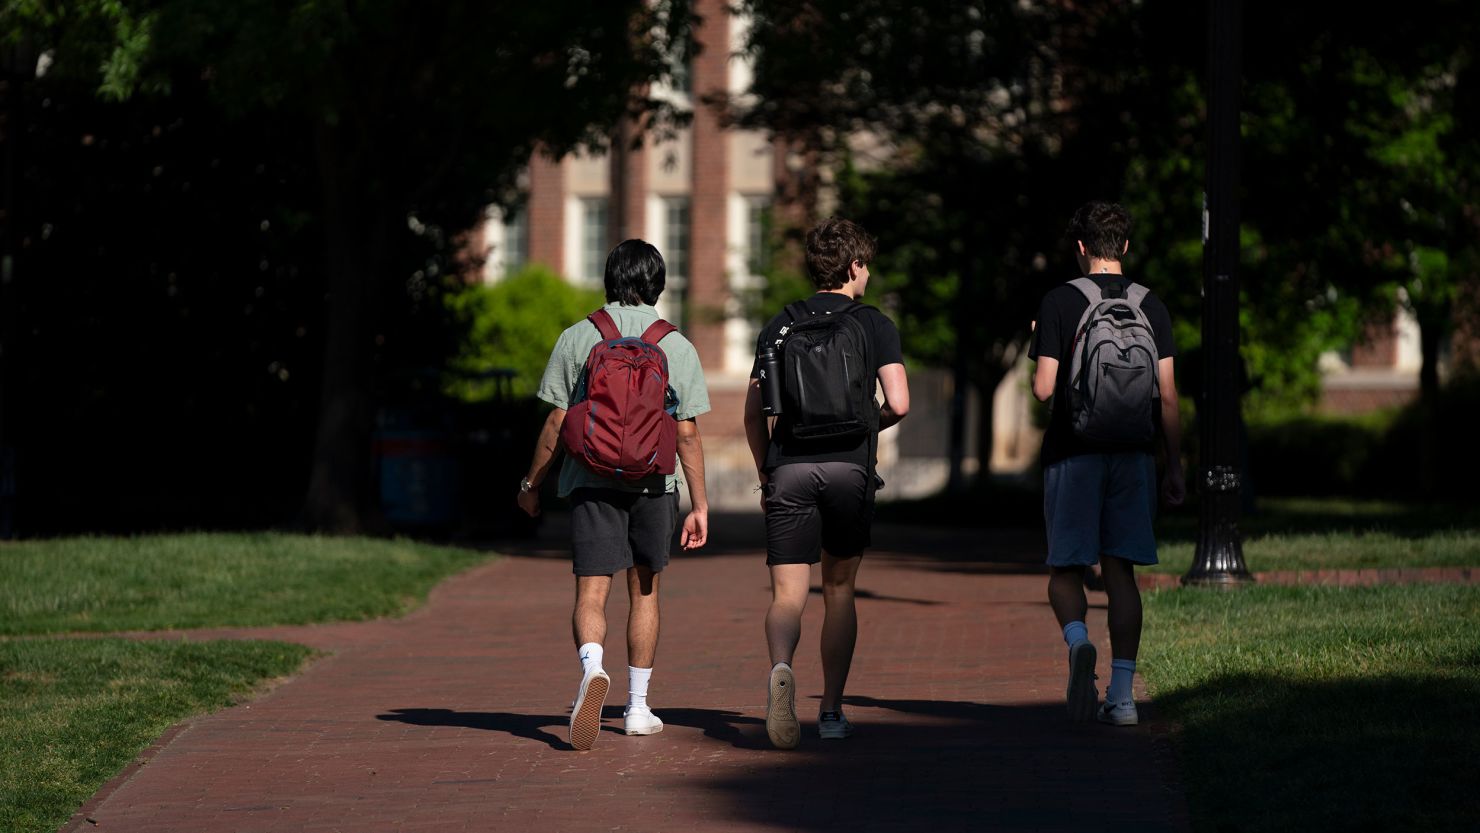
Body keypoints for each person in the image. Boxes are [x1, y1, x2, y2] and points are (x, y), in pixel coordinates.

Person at [517, 239, 710, 750]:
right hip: (654, 483)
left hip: (590, 481)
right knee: (644, 590)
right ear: (658, 285)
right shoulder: (677, 346)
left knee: (591, 592)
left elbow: (557, 422)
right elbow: (687, 432)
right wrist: (700, 503)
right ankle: (638, 707)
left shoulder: (579, 337)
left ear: (608, 281)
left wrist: (531, 485)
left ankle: (591, 669)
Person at [743, 217, 910, 748]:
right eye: (867, 266)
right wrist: (867, 424)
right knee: (838, 590)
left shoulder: (780, 325)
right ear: (855, 266)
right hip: (849, 468)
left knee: (787, 596)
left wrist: (766, 465)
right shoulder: (874, 323)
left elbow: (753, 412)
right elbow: (901, 402)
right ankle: (833, 711)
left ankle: (780, 670)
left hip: (789, 467)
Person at [1028, 201, 1185, 726]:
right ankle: (1122, 698)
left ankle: (1077, 644)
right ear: (1125, 247)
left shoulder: (1058, 301)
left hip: (1073, 455)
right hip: (1134, 454)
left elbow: (1044, 388)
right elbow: (1167, 396)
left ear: (1080, 247)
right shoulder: (1152, 305)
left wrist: (1041, 339)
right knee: (1121, 572)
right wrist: (1175, 466)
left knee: (1064, 568)